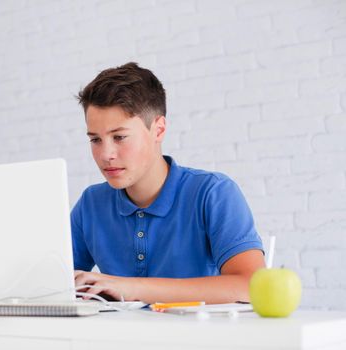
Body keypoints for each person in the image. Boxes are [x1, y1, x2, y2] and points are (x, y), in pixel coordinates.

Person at [71, 62, 265, 304]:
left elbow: (251, 286)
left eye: (119, 137)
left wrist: (129, 288)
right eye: (95, 140)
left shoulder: (212, 192)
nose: (105, 154)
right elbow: (51, 285)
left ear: (159, 130)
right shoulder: (91, 203)